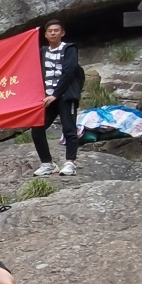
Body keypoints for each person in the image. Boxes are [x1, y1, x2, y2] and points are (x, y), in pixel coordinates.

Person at [32, 19, 83, 176]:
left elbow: (69, 72)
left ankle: (70, 163)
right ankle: (47, 163)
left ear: (62, 33)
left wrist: (56, 94)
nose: (53, 33)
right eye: (50, 31)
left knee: (69, 128)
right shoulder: (42, 52)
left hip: (65, 96)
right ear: (45, 35)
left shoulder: (69, 49)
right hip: (47, 97)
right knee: (37, 128)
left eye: (56, 30)